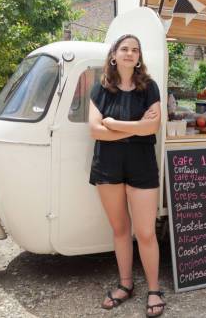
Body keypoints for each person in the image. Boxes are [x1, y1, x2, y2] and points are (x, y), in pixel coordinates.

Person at [88, 34, 166, 317]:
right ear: (114, 55)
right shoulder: (101, 89)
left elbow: (153, 127)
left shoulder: (149, 87)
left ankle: (154, 289)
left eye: (135, 49)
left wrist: (114, 124)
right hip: (107, 165)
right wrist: (136, 127)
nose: (130, 53)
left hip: (142, 164)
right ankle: (126, 285)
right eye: (125, 49)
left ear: (139, 57)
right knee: (120, 230)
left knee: (145, 232)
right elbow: (95, 130)